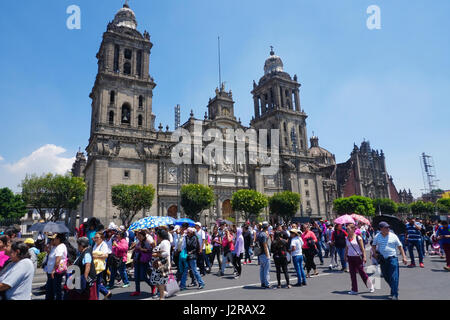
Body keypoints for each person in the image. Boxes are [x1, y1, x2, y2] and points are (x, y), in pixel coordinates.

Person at [372, 222, 408, 300]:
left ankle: (395, 294)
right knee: (385, 276)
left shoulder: (393, 236)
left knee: (394, 277)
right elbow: (374, 246)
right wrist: (374, 253)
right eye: (386, 227)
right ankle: (394, 287)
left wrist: (404, 257)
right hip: (383, 260)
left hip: (393, 258)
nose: (388, 229)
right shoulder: (377, 237)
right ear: (381, 229)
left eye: (388, 227)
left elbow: (400, 247)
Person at [345, 223, 374, 295]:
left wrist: (364, 256)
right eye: (347, 229)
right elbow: (347, 248)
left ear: (353, 229)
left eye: (348, 229)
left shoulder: (358, 238)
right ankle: (354, 289)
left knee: (362, 273)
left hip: (358, 257)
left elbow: (362, 248)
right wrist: (345, 256)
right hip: (350, 257)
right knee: (352, 274)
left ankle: (370, 286)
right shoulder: (347, 238)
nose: (347, 230)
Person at [43, 233, 68, 300]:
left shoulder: (60, 247)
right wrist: (47, 249)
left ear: (58, 239)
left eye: (54, 239)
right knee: (50, 289)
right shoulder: (55, 246)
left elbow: (58, 260)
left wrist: (54, 270)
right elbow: (51, 256)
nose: (52, 240)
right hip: (51, 271)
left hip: (56, 272)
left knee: (56, 290)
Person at [130, 230, 154, 297]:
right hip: (137, 261)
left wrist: (142, 249)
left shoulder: (146, 242)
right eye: (138, 236)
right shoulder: (137, 242)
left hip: (143, 261)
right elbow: (135, 252)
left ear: (144, 236)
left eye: (140, 236)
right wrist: (133, 261)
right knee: (136, 277)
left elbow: (150, 250)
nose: (138, 237)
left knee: (143, 276)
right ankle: (137, 291)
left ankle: (152, 285)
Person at [150, 229, 171, 299]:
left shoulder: (165, 242)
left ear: (159, 235)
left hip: (161, 264)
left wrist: (157, 255)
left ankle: (161, 297)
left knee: (160, 282)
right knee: (157, 281)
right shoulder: (163, 242)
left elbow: (166, 253)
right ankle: (162, 294)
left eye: (157, 235)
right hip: (159, 265)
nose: (156, 236)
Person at [92, 232, 112, 299]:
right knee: (96, 282)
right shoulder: (95, 244)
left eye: (97, 238)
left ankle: (97, 297)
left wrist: (96, 256)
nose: (96, 239)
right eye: (95, 238)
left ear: (101, 238)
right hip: (94, 265)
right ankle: (106, 292)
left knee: (96, 283)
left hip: (100, 266)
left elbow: (106, 255)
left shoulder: (104, 245)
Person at [257, 222, 271, 288]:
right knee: (266, 269)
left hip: (260, 253)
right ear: (267, 227)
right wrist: (267, 254)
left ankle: (262, 282)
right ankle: (267, 283)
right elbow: (265, 245)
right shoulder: (264, 235)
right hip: (264, 253)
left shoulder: (260, 233)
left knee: (262, 269)